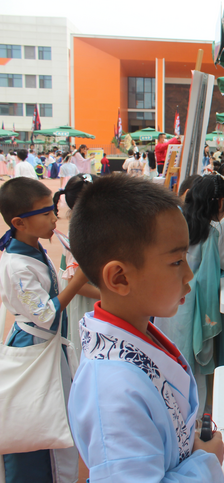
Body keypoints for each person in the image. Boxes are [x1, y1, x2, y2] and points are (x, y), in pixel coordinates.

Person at [66, 174, 224, 482]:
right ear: (120, 278)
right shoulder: (111, 391)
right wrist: (205, 462)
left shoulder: (139, 336)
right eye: (177, 261)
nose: (189, 274)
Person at [0, 177, 91, 482]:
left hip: (49, 346)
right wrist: (79, 280)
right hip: (35, 347)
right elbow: (47, 315)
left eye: (53, 210)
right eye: (45, 213)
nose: (54, 218)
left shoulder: (34, 249)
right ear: (19, 223)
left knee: (57, 417)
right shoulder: (16, 266)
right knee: (39, 424)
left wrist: (70, 277)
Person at [154, 174, 224, 412]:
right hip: (194, 303)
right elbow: (207, 279)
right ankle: (196, 421)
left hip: (168, 302)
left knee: (172, 358)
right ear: (219, 203)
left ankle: (172, 413)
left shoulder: (178, 222)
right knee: (195, 367)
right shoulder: (212, 231)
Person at [52, 174, 102, 359]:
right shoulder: (82, 232)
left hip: (89, 292)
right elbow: (77, 284)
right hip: (85, 297)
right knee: (86, 345)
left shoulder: (87, 225)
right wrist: (107, 296)